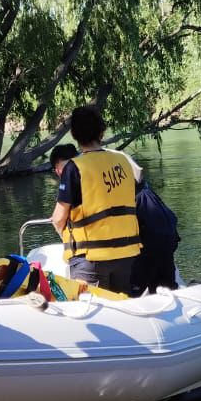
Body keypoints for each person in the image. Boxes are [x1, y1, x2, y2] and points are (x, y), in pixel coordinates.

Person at [48, 141, 178, 296]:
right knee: (154, 291)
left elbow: (59, 218)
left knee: (115, 297)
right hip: (161, 234)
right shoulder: (118, 172)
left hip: (135, 245)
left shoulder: (84, 176)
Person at [50, 106, 141, 295]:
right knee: (123, 307)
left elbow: (58, 218)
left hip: (90, 259)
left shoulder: (75, 167)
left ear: (74, 134)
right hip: (127, 254)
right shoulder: (123, 161)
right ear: (102, 131)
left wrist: (65, 236)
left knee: (92, 310)